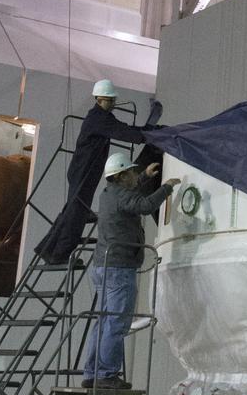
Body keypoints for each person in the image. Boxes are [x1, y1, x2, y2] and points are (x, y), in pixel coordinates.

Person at [81, 151, 180, 389]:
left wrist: (146, 177)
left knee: (104, 320)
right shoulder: (121, 196)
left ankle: (92, 372)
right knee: (116, 322)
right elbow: (144, 205)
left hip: (104, 266)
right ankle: (106, 374)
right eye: (132, 172)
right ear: (122, 175)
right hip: (119, 267)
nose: (135, 175)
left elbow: (131, 199)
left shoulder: (108, 195)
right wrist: (166, 187)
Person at [34, 80, 161, 266]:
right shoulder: (98, 119)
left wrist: (148, 131)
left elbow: (124, 129)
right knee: (75, 215)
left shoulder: (102, 117)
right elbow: (124, 133)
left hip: (85, 170)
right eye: (109, 100)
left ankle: (47, 249)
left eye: (112, 100)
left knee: (72, 210)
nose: (112, 103)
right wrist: (148, 135)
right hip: (83, 171)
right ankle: (58, 255)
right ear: (99, 99)